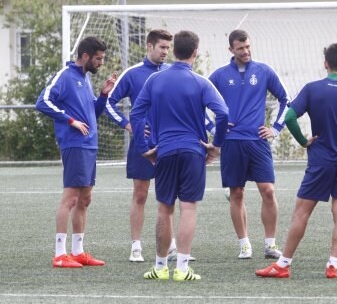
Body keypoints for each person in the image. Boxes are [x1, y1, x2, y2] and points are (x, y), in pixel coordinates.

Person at [256, 43, 337, 279]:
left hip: (320, 158)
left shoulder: (312, 89)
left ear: (325, 64)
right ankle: (333, 265)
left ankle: (283, 265)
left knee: (302, 212)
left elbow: (290, 116)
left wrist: (304, 141)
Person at [130, 30, 228, 281]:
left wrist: (144, 148)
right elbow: (224, 115)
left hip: (164, 151)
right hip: (193, 151)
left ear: (174, 51)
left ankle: (161, 267)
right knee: (188, 208)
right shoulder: (201, 82)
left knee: (164, 208)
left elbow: (136, 115)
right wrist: (215, 146)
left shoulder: (154, 80)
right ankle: (182, 269)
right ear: (195, 53)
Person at [36, 36, 117, 268]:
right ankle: (60, 254)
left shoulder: (85, 79)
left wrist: (103, 95)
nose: (101, 63)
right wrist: (70, 120)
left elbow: (92, 112)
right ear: (85, 57)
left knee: (85, 199)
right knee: (70, 199)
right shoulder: (65, 76)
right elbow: (42, 102)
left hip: (90, 145)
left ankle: (78, 251)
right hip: (74, 144)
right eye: (98, 59)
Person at [208, 29, 289, 259]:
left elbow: (287, 100)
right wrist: (215, 130)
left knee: (268, 191)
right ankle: (244, 243)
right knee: (236, 193)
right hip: (232, 143)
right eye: (240, 48)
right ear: (231, 50)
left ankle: (270, 244)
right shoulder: (219, 76)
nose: (246, 51)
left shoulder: (264, 71)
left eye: (248, 47)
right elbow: (198, 103)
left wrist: (275, 129)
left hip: (258, 142)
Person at [105, 29, 184, 263]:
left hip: (169, 143)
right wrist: (127, 124)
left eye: (168, 48)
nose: (166, 52)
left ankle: (170, 246)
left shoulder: (173, 72)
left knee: (169, 196)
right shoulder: (132, 74)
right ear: (149, 47)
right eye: (162, 47)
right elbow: (109, 102)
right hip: (142, 145)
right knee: (140, 194)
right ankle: (136, 247)